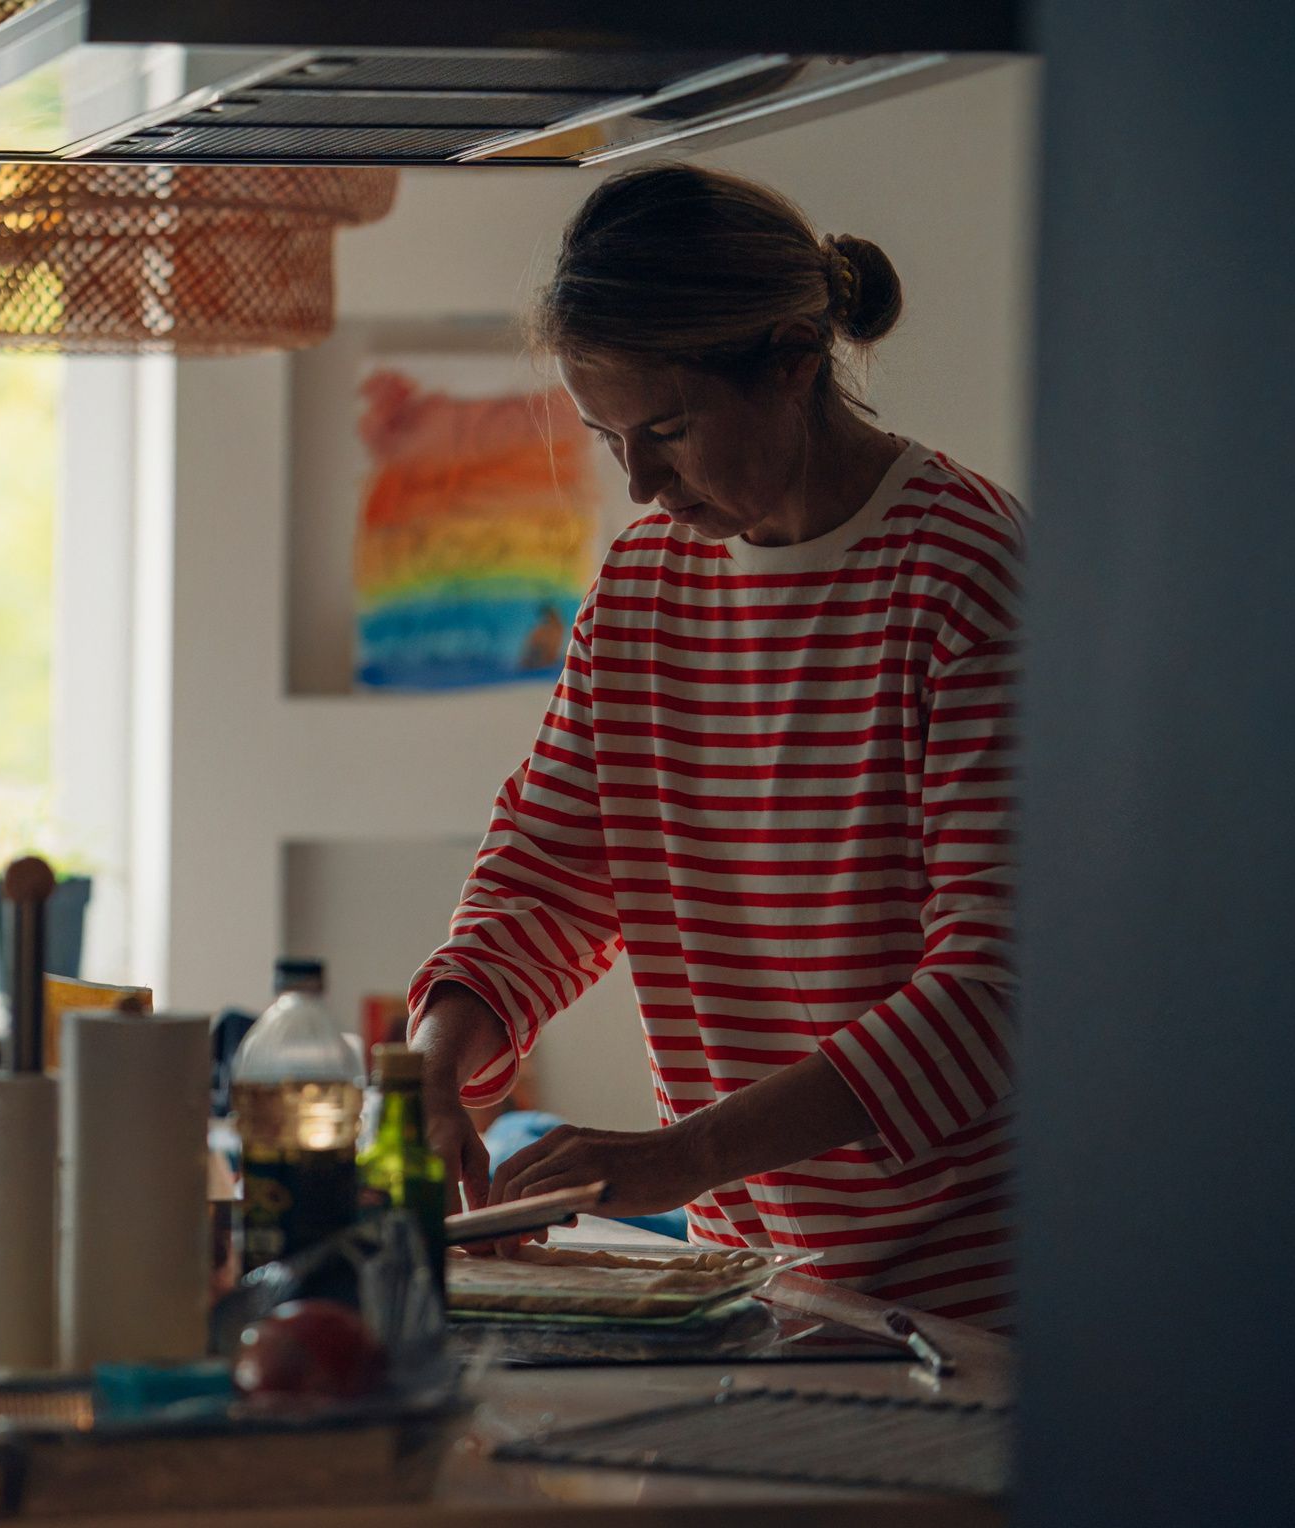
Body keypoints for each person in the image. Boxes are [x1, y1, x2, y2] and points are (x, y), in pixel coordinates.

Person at [409, 163, 1021, 1326]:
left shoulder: (964, 577)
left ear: (794, 362)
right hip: (744, 1288)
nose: (638, 484)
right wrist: (433, 1070)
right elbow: (543, 877)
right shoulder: (645, 587)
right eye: (607, 438)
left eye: (670, 430)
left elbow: (993, 992)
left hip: (967, 1302)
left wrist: (682, 1155)